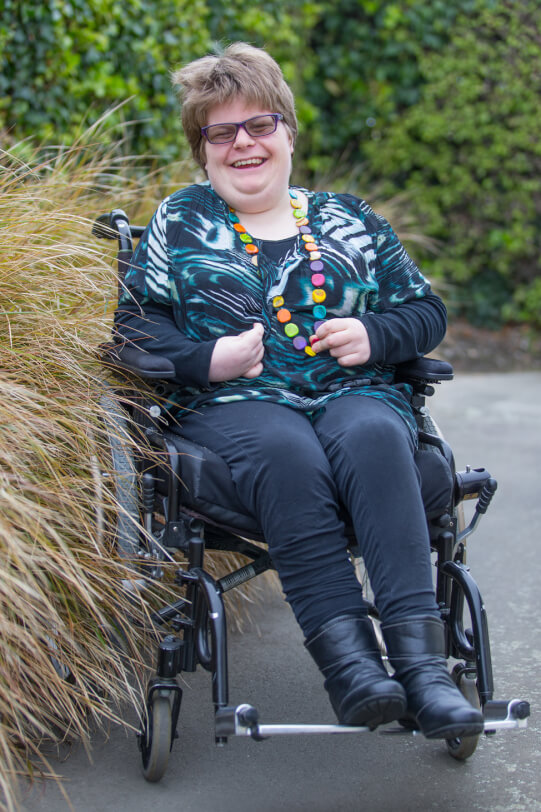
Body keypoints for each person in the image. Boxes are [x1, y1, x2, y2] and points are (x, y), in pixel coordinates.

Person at [114, 43, 484, 739]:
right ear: (201, 150)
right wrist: (206, 358)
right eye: (220, 132)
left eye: (259, 124)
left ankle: (425, 674)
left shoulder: (350, 219)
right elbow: (134, 327)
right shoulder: (180, 220)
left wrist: (375, 333)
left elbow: (425, 311)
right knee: (286, 450)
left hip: (354, 394)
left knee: (373, 435)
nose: (243, 143)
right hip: (234, 408)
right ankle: (353, 671)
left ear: (287, 132)